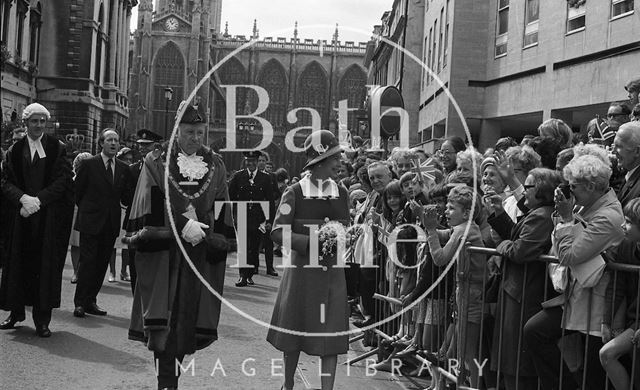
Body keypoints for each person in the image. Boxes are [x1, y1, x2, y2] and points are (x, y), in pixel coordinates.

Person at [127, 102, 235, 390]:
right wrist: (179, 225)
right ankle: (167, 383)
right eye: (189, 132)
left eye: (201, 132)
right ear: (177, 132)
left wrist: (210, 233)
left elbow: (223, 206)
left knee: (188, 326)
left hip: (199, 253)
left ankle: (170, 380)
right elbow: (145, 206)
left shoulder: (216, 164)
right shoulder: (155, 161)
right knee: (163, 327)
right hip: (163, 254)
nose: (196, 138)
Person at [524, 154, 625, 390]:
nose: (569, 191)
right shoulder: (587, 206)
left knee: (593, 375)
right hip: (576, 299)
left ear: (590, 186)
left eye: (573, 186)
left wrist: (568, 219)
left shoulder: (608, 216)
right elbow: (561, 248)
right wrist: (566, 218)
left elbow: (568, 255)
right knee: (535, 332)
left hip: (596, 305)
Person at [267, 129, 349, 390]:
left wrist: (340, 234)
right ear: (319, 162)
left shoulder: (343, 192)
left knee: (332, 338)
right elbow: (278, 231)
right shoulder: (294, 192)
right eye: (335, 158)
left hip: (332, 276)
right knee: (294, 334)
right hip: (302, 274)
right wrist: (313, 242)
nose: (340, 163)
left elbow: (343, 224)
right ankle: (288, 383)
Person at [0, 102, 74, 337]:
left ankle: (42, 320)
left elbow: (63, 180)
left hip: (46, 217)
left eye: (43, 121)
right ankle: (15, 313)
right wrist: (22, 199)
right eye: (34, 121)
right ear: (25, 123)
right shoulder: (14, 149)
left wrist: (39, 201)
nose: (39, 125)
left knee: (45, 268)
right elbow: (4, 181)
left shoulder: (56, 148)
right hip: (20, 216)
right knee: (17, 265)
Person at [485, 168, 561, 390]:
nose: (522, 192)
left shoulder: (542, 215)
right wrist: (499, 213)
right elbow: (516, 236)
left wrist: (502, 246)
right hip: (517, 290)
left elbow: (520, 250)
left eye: (527, 187)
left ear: (541, 190)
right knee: (511, 362)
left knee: (517, 363)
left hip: (525, 294)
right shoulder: (537, 213)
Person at [72, 128, 134, 318]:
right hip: (90, 221)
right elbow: (77, 192)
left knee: (100, 264)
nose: (114, 143)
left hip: (110, 223)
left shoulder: (124, 168)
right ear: (101, 143)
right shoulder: (89, 164)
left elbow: (125, 196)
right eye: (109, 140)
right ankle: (80, 303)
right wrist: (88, 210)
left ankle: (91, 301)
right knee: (88, 262)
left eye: (116, 140)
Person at [599, 197, 640, 390]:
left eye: (630, 222)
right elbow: (618, 284)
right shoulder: (626, 245)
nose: (623, 225)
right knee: (607, 354)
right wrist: (606, 321)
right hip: (634, 320)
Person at [123, 128, 163, 293]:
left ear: (156, 146)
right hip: (135, 223)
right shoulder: (132, 170)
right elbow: (125, 198)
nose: (142, 148)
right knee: (135, 263)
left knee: (153, 263)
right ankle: (136, 299)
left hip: (156, 223)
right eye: (140, 145)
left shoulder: (163, 169)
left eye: (147, 145)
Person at [228, 150, 276, 286]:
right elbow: (231, 197)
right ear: (245, 162)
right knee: (243, 246)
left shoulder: (265, 178)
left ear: (257, 161)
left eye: (253, 161)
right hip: (242, 215)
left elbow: (270, 201)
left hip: (258, 218)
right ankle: (242, 275)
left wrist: (269, 221)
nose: (251, 163)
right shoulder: (238, 176)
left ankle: (250, 274)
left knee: (254, 247)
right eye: (248, 161)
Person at [613, 122, 640, 207]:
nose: (613, 151)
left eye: (619, 146)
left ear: (637, 151)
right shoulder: (629, 173)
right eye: (613, 146)